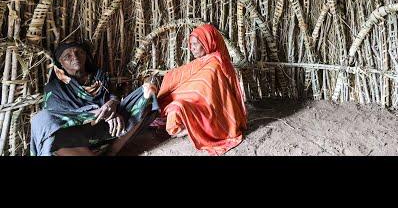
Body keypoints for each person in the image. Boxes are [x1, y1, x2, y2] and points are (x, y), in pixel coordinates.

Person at [30, 42, 159, 156]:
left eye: (79, 52)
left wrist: (112, 105)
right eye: (67, 56)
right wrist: (100, 114)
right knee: (42, 120)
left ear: (85, 55)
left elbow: (113, 96)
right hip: (80, 134)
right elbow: (61, 117)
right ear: (61, 63)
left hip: (110, 127)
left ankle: (112, 151)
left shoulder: (99, 77)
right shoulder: (54, 88)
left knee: (148, 92)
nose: (75, 57)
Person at [155, 23, 247, 155]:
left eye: (194, 44)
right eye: (190, 44)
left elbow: (204, 94)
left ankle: (194, 128)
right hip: (196, 104)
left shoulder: (215, 65)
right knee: (172, 111)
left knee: (176, 109)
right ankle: (191, 127)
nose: (191, 48)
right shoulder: (202, 61)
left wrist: (184, 101)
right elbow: (179, 75)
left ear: (207, 43)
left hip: (209, 110)